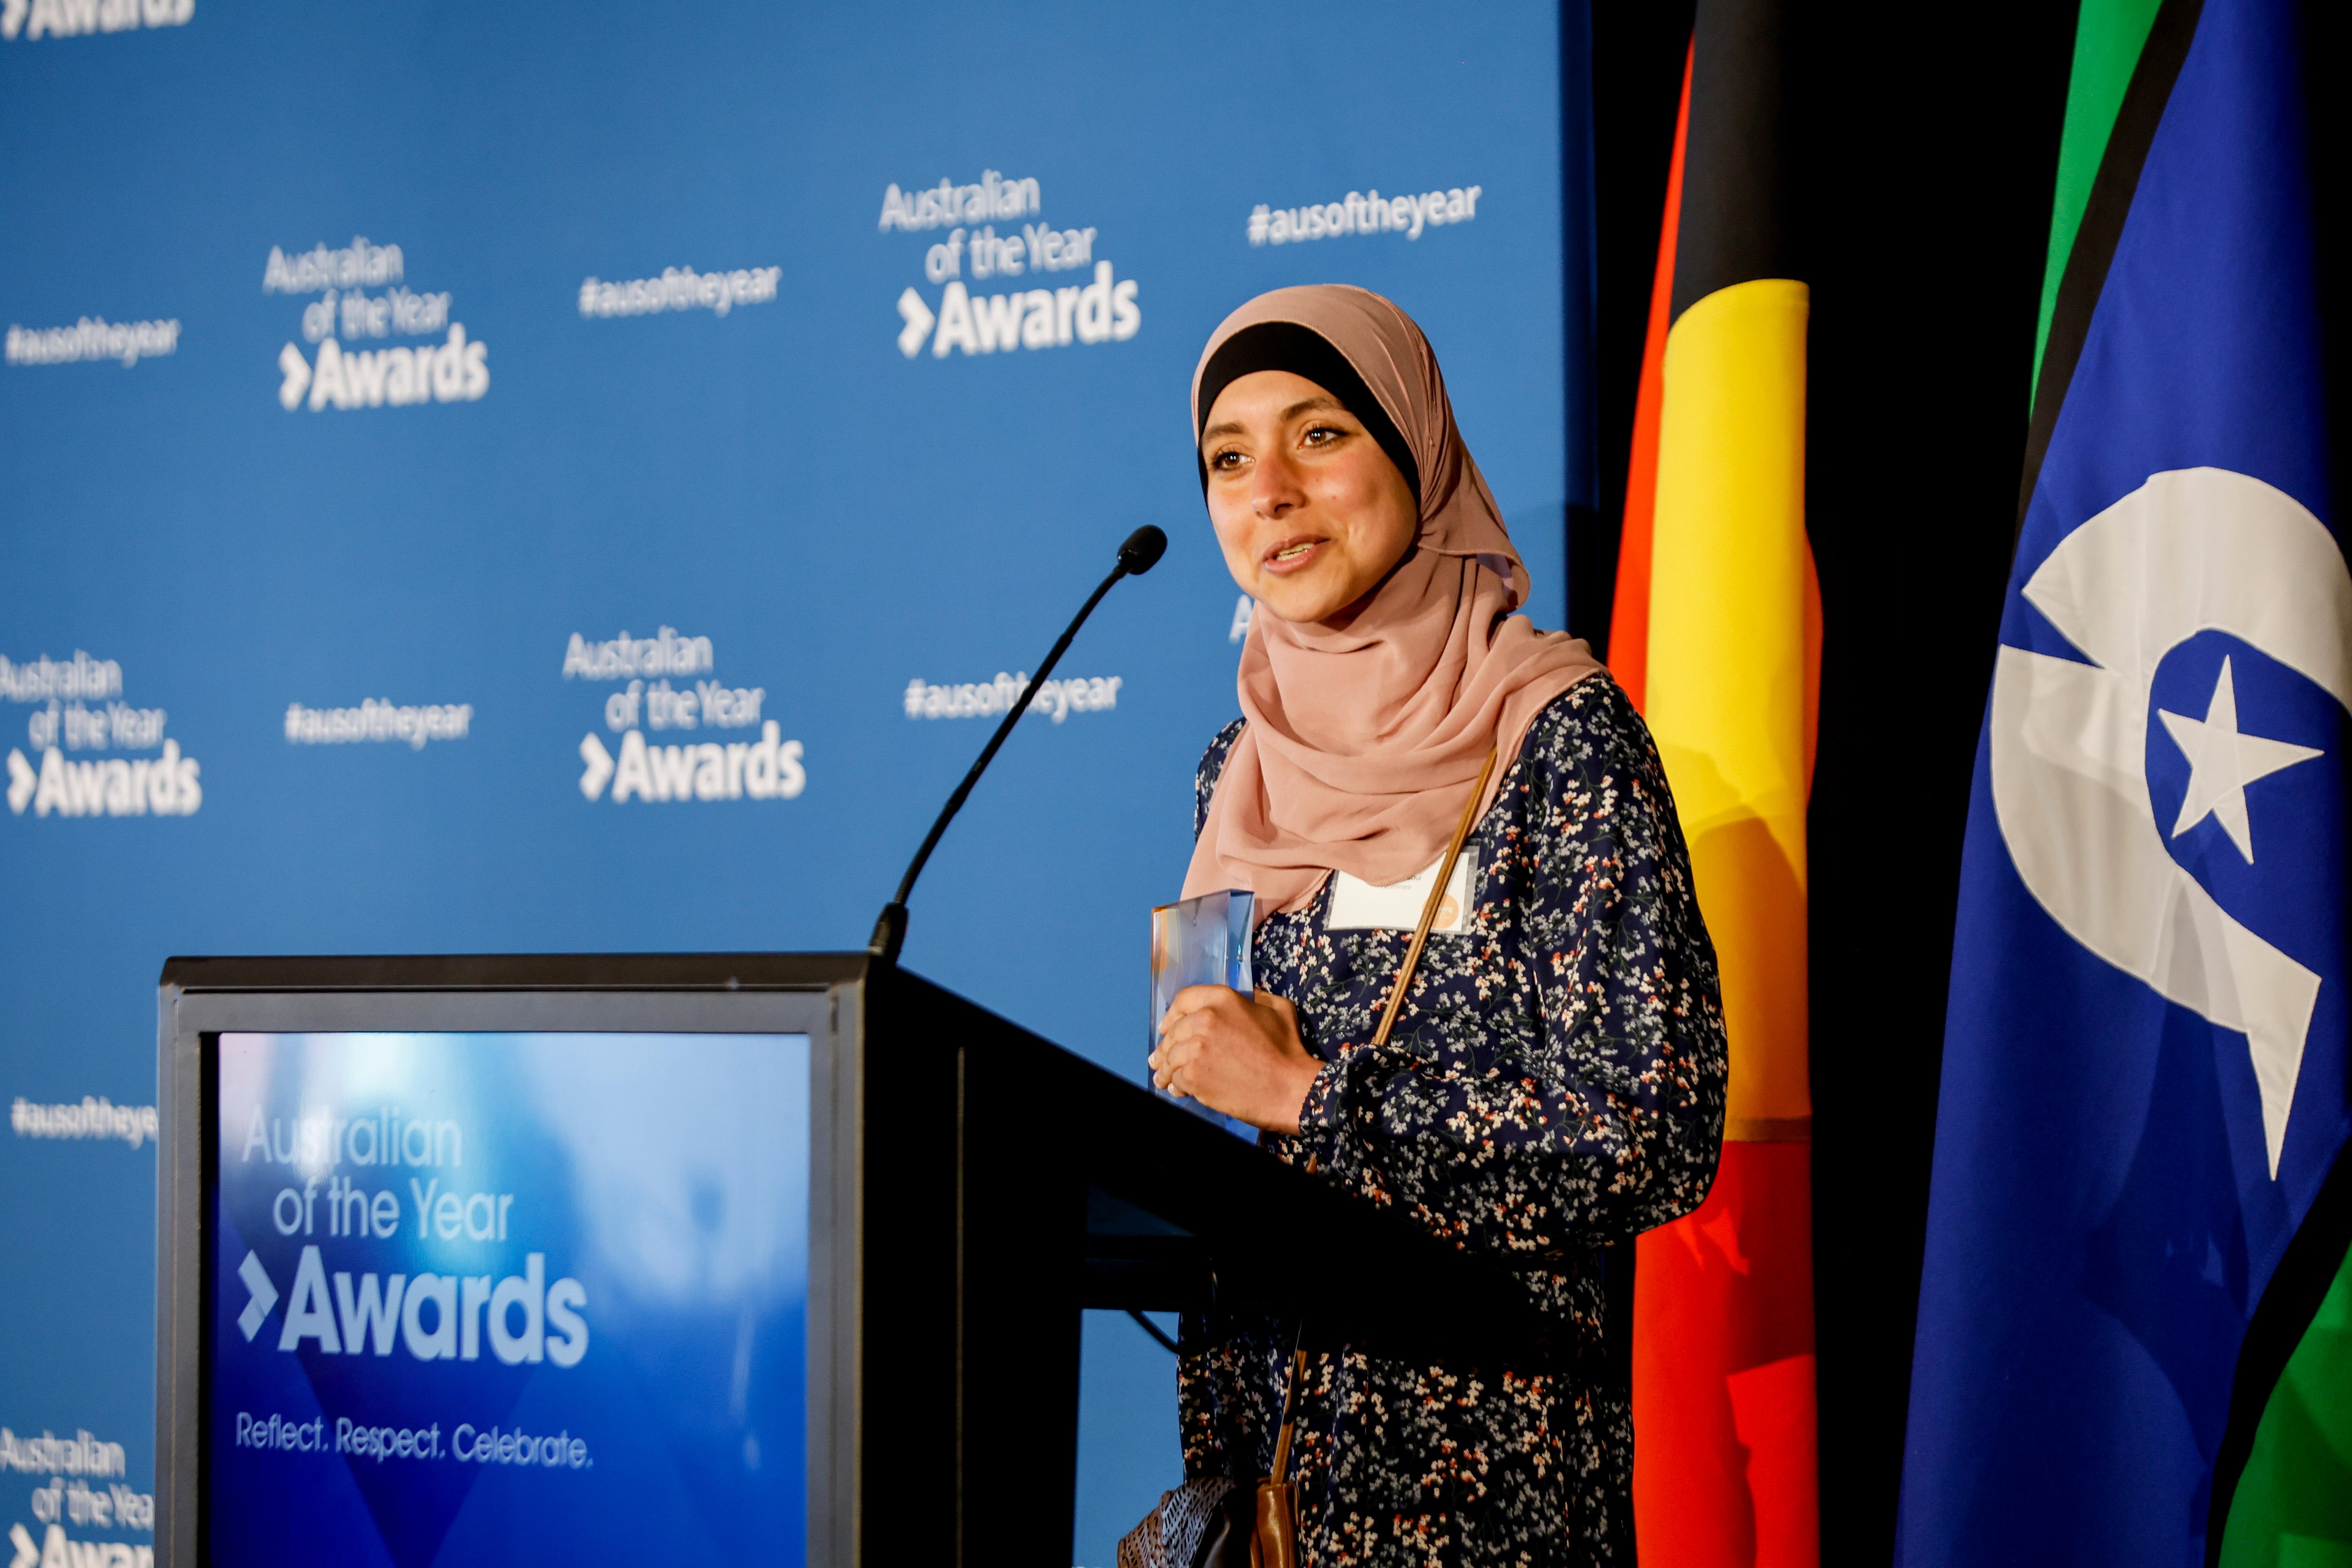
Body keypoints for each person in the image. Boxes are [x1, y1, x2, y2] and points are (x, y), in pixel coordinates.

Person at [1148, 284, 1727, 1565]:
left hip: (1489, 1495)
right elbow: (1221, 1136)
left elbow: (1651, 1134)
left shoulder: (1560, 743)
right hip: (1273, 1493)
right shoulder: (1236, 773)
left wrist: (1318, 1099)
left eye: (1319, 436)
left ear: (1415, 447)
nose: (1270, 493)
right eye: (1228, 460)